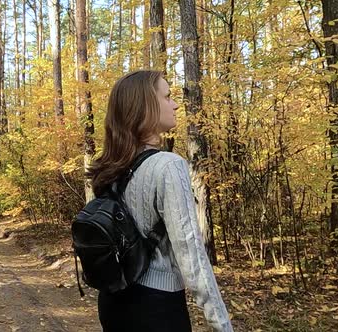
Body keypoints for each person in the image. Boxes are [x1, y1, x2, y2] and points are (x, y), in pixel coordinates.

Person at [86, 70, 233, 332]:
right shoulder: (169, 166)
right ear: (145, 107)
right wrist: (221, 323)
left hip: (113, 300)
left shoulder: (113, 166)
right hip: (156, 309)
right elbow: (191, 253)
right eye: (167, 97)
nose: (175, 104)